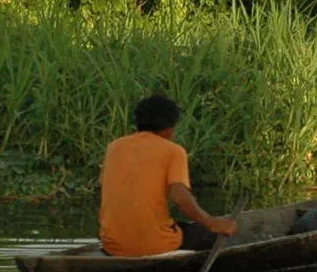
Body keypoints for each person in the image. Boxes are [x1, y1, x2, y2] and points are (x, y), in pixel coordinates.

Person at [98, 93, 237, 258]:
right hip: (155, 246)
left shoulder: (114, 147)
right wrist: (211, 222)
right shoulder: (173, 151)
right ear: (169, 130)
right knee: (212, 237)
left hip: (111, 245)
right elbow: (180, 198)